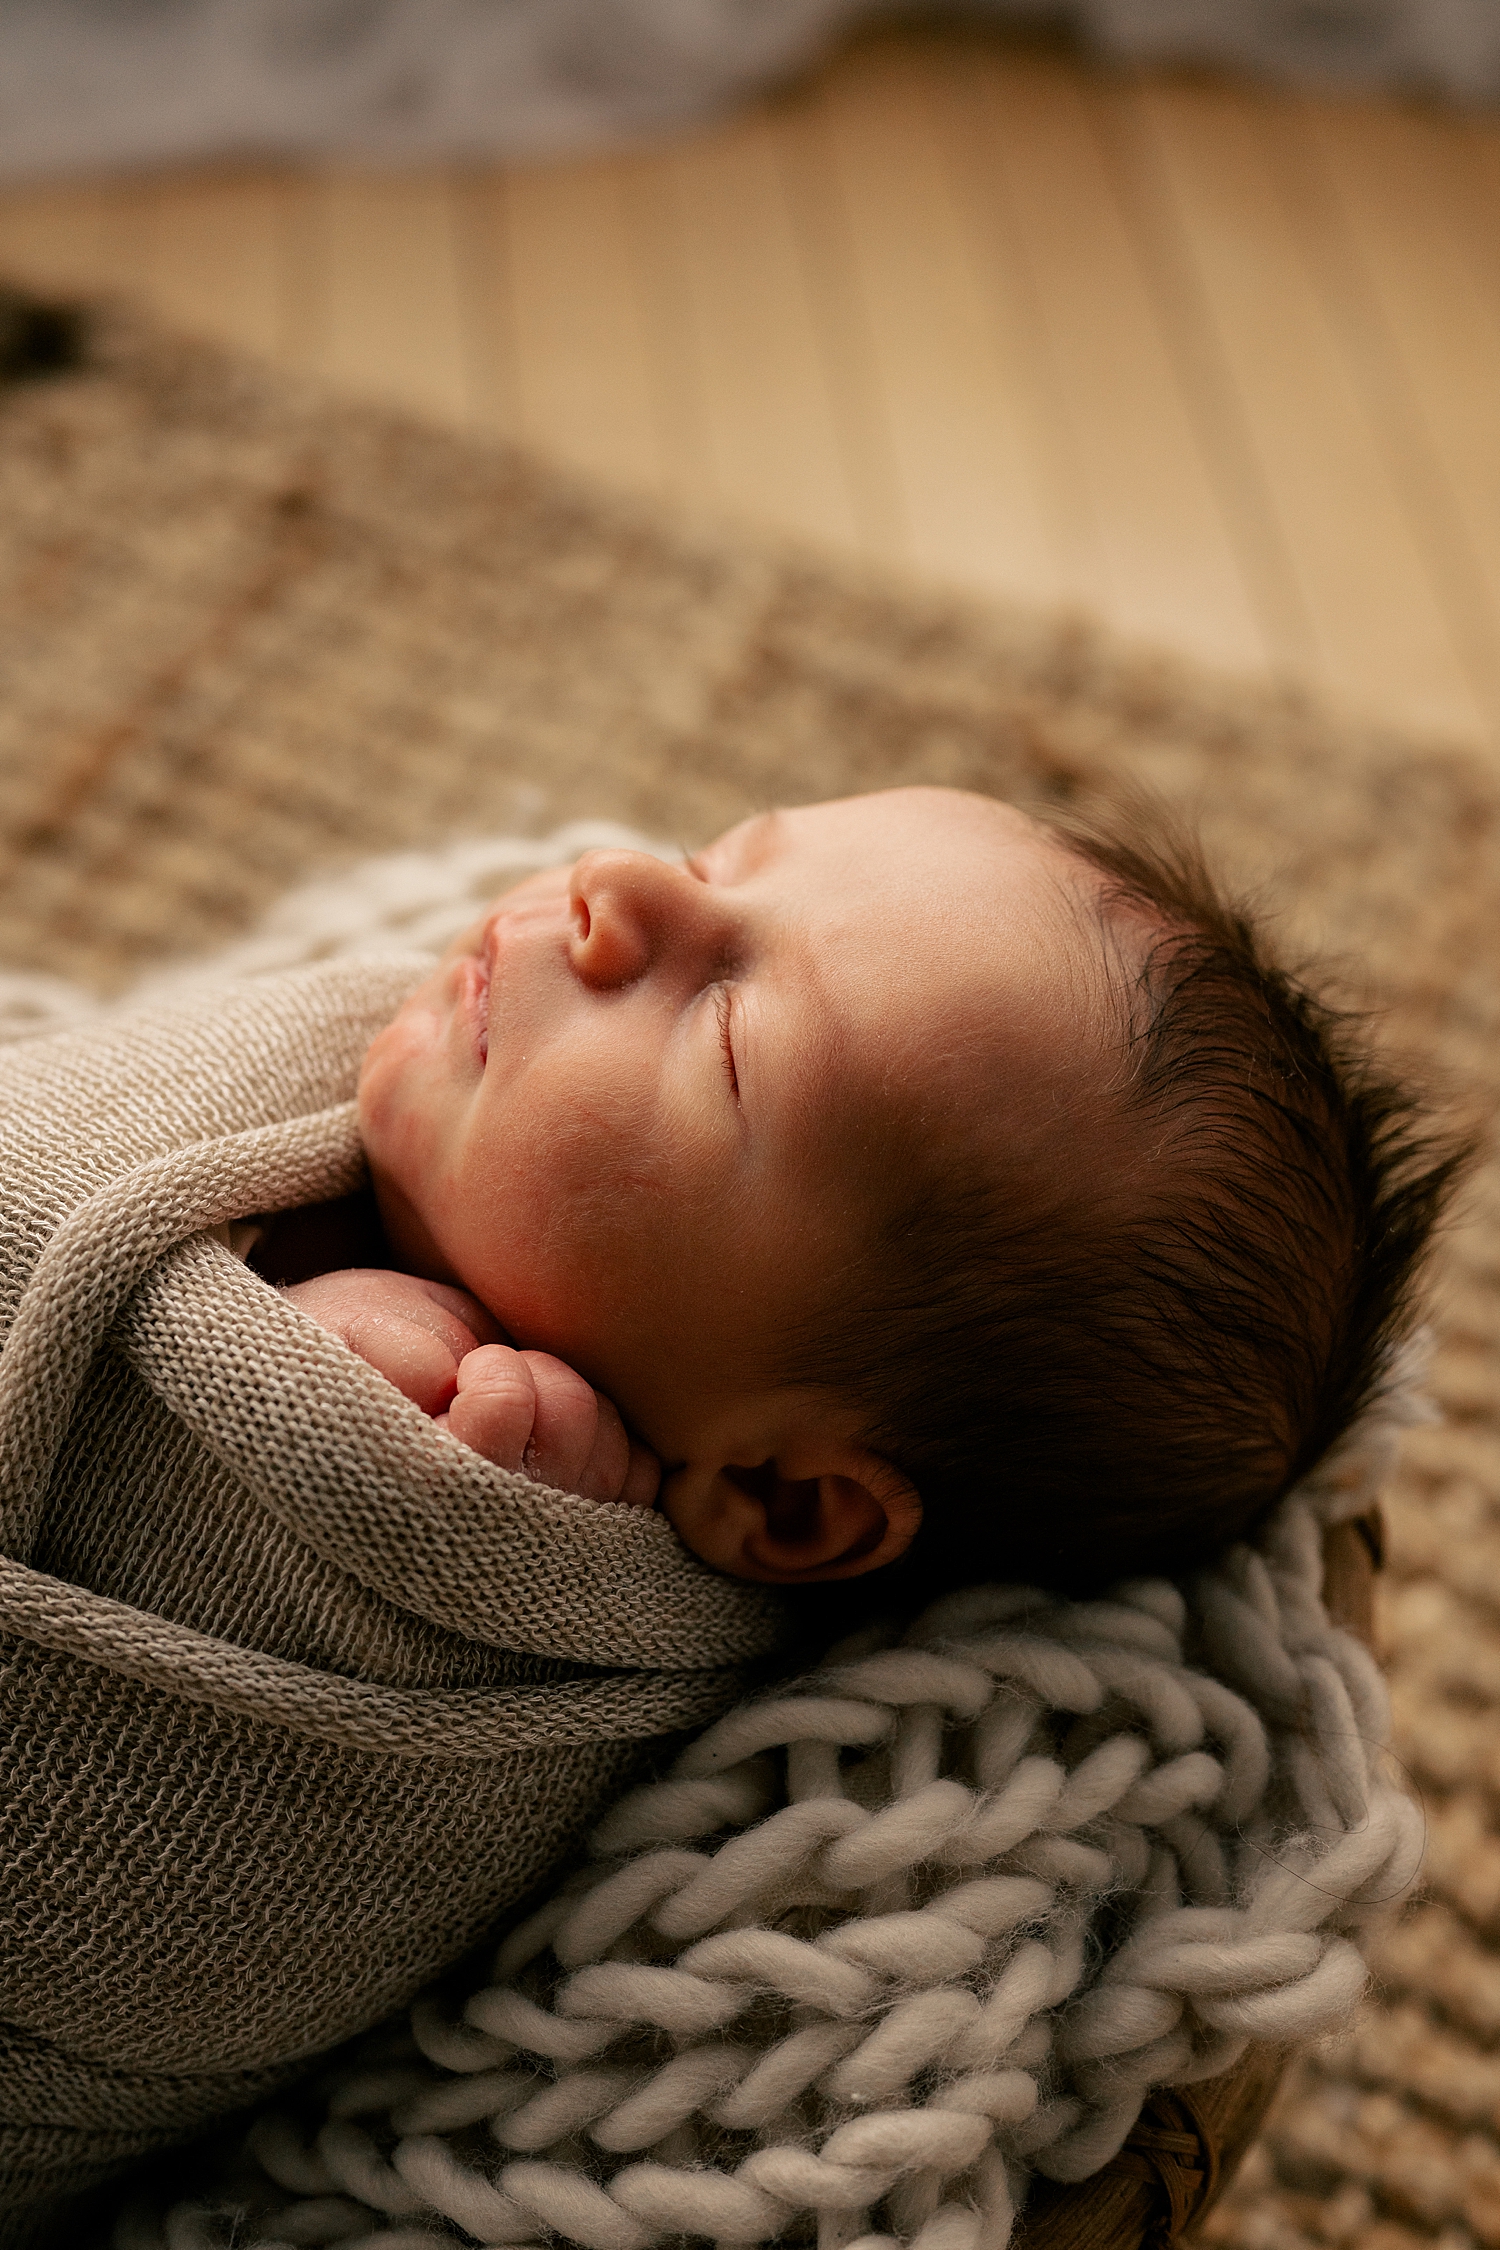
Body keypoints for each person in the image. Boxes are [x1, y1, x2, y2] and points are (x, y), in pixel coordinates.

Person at [254, 785, 1461, 1599]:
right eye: (717, 859)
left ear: (779, 1502)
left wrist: (442, 1502)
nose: (617, 882)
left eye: (725, 1040)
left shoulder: (516, 1495)